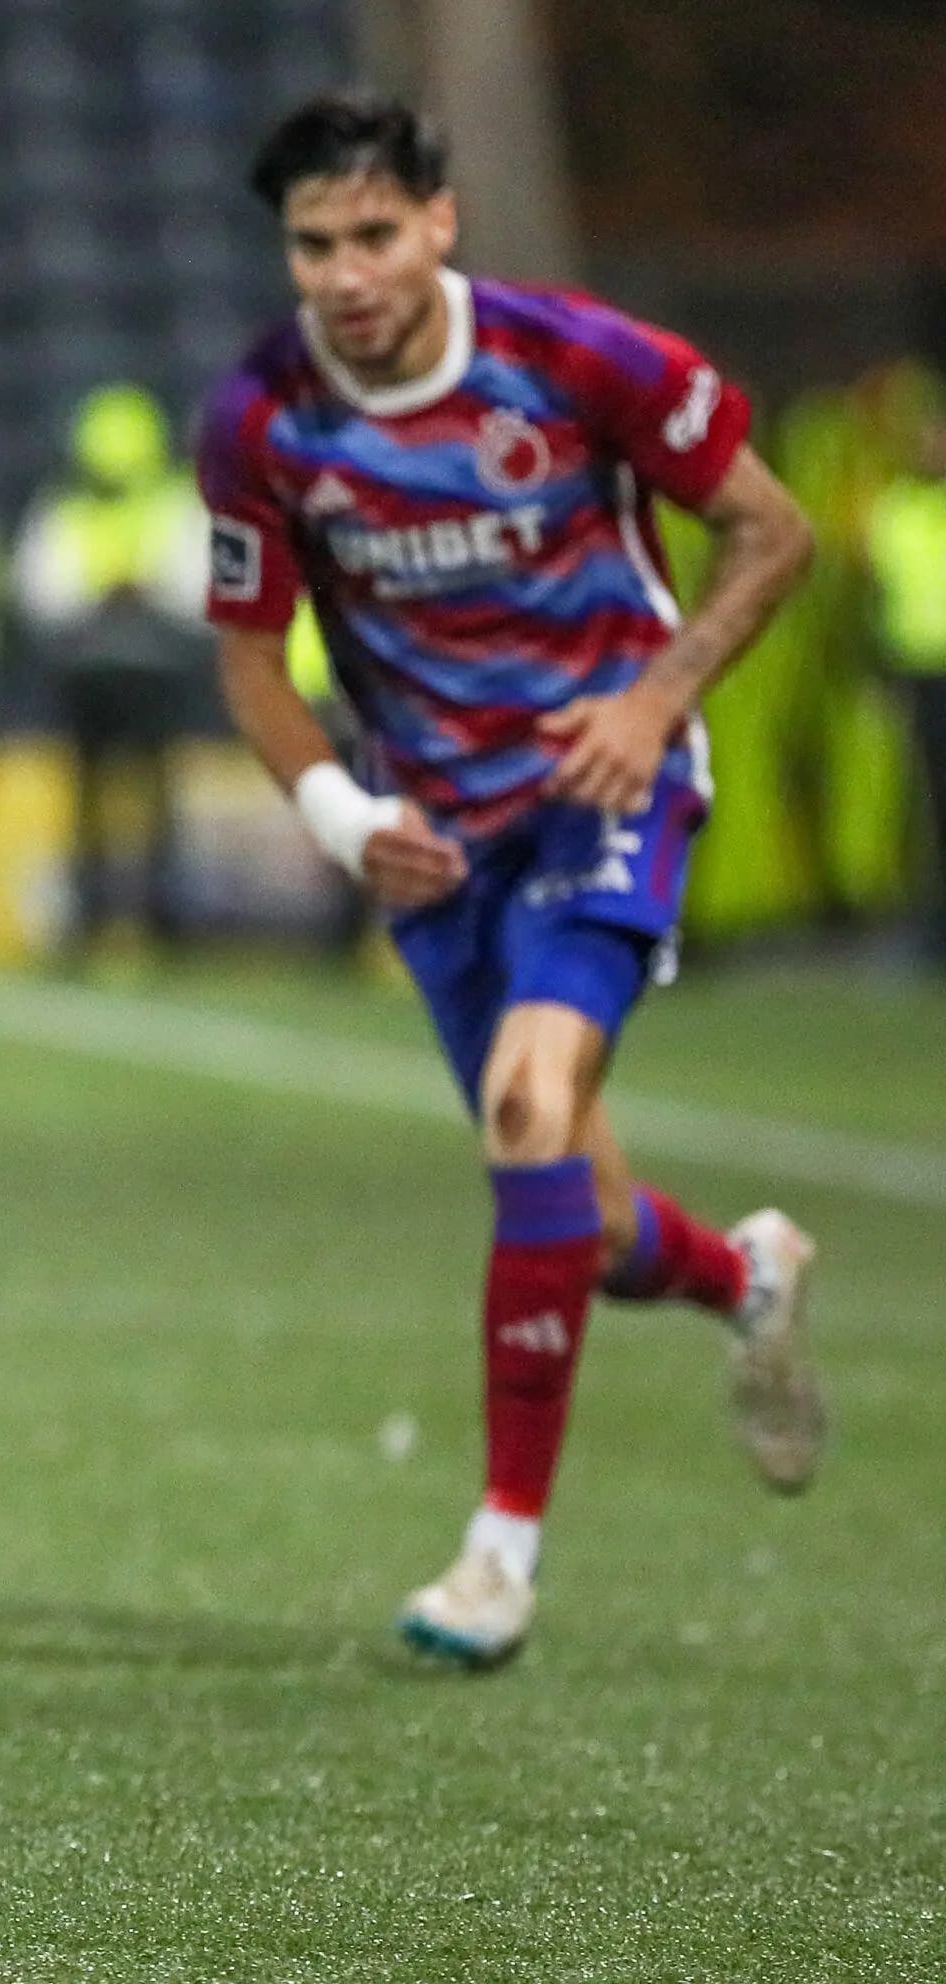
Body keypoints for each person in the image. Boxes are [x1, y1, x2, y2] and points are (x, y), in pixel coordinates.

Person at [200, 89, 824, 1670]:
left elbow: (774, 535)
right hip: (437, 838)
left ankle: (499, 1557)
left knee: (528, 1109)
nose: (346, 273)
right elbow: (250, 662)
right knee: (586, 1213)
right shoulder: (263, 421)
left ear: (442, 223)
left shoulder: (580, 360)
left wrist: (653, 698)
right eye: (313, 243)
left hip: (604, 785)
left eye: (376, 234)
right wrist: (343, 816)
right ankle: (742, 1273)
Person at [12, 381, 211, 958]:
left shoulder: (179, 504)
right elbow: (39, 593)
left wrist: (146, 594)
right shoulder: (65, 509)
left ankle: (163, 921)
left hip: (160, 673)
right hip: (88, 676)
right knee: (88, 800)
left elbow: (203, 589)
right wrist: (101, 596)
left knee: (157, 798)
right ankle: (90, 918)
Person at [869, 418, 946, 963]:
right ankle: (934, 927)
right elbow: (874, 594)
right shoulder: (894, 510)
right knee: (930, 806)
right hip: (919, 676)